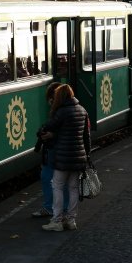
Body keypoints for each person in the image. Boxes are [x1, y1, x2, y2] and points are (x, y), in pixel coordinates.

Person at [40, 84, 90, 232]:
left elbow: (47, 127)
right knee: (73, 188)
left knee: (57, 186)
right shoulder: (82, 110)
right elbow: (86, 136)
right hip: (78, 156)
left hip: (63, 156)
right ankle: (71, 220)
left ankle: (56, 221)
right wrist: (87, 155)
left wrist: (46, 132)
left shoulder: (61, 112)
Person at [32, 82, 69, 218]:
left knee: (48, 177)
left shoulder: (60, 111)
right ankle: (62, 208)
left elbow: (68, 129)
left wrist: (52, 134)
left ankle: (51, 208)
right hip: (61, 149)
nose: (49, 102)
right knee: (60, 180)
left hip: (56, 148)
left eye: (51, 99)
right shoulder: (70, 108)